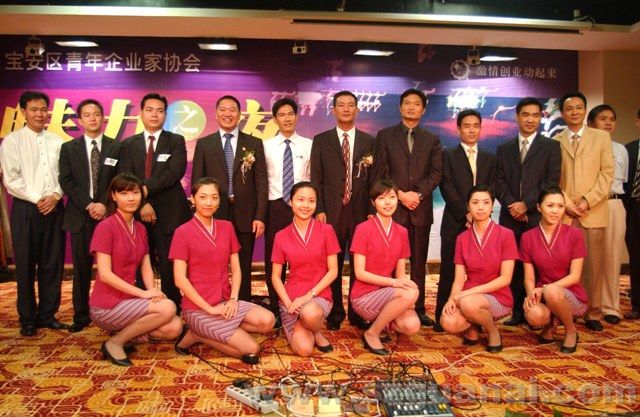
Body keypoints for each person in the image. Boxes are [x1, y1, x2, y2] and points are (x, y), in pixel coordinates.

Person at [171, 177, 275, 364]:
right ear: (193, 199)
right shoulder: (182, 232)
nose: (209, 202)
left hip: (226, 302)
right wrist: (210, 309)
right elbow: (180, 279)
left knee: (268, 320)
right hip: (198, 308)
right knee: (251, 350)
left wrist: (233, 299)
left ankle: (215, 329)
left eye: (214, 197)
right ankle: (197, 334)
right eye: (203, 197)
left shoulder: (226, 227)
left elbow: (236, 268)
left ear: (220, 201)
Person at [89, 173, 183, 367]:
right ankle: (115, 342)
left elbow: (146, 266)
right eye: (124, 193)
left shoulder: (140, 228)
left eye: (135, 193)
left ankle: (123, 333)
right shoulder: (105, 227)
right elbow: (105, 275)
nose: (131, 198)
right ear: (113, 196)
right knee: (169, 308)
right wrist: (143, 293)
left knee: (174, 327)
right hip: (107, 305)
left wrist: (153, 292)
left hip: (129, 301)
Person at [0, 90, 68, 336]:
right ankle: (27, 318)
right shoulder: (12, 141)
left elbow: (64, 175)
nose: (40, 114)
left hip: (55, 207)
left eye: (43, 109)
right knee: (26, 265)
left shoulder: (57, 141)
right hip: (26, 209)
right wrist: (39, 199)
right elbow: (11, 179)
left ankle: (47, 314)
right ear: (23, 112)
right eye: (34, 109)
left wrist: (56, 196)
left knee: (53, 263)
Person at [118, 93, 192, 313]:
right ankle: (145, 308)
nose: (154, 115)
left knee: (170, 264)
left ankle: (173, 307)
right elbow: (126, 176)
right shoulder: (128, 144)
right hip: (137, 212)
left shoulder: (175, 140)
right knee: (141, 262)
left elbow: (174, 172)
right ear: (141, 113)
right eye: (149, 110)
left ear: (165, 115)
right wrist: (142, 203)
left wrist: (144, 190)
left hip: (170, 213)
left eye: (160, 111)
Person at [376, 88, 443, 327]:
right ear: (400, 107)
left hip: (420, 209)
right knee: (387, 263)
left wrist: (418, 194)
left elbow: (437, 173)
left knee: (418, 263)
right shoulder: (385, 136)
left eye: (416, 103)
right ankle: (387, 306)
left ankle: (418, 307)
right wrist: (400, 195)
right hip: (392, 209)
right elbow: (382, 171)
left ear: (423, 109)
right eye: (407, 103)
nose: (411, 107)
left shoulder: (432, 139)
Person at [191, 95, 268, 302]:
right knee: (213, 262)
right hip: (214, 213)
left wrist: (260, 216)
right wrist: (201, 215)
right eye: (223, 109)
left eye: (232, 109)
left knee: (243, 262)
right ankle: (214, 301)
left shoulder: (253, 143)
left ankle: (242, 304)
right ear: (216, 114)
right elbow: (197, 182)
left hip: (246, 214)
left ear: (240, 114)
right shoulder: (204, 144)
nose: (228, 113)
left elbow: (261, 183)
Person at [310, 91, 375, 330]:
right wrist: (319, 209)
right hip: (331, 212)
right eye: (341, 105)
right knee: (332, 264)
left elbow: (374, 180)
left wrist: (371, 209)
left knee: (360, 266)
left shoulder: (369, 141)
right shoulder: (321, 140)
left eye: (350, 105)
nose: (346, 109)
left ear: (357, 110)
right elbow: (316, 178)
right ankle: (335, 312)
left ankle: (358, 312)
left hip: (360, 212)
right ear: (333, 110)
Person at [495, 97, 561, 326]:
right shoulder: (504, 148)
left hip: (536, 216)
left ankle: (538, 312)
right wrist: (513, 205)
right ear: (517, 117)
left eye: (535, 115)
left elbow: (551, 181)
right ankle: (517, 311)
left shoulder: (551, 147)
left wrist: (527, 204)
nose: (530, 119)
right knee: (512, 265)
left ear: (541, 117)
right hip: (510, 216)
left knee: (538, 266)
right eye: (526, 114)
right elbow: (498, 181)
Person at [553, 92, 614, 332]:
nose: (574, 112)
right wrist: (567, 203)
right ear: (562, 113)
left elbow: (607, 174)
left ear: (585, 110)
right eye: (569, 109)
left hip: (593, 211)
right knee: (563, 266)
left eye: (579, 107)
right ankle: (567, 310)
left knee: (593, 266)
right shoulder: (556, 140)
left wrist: (588, 201)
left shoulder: (601, 137)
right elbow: (554, 178)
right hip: (565, 213)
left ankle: (593, 312)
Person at [59, 98, 121, 333]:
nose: (92, 118)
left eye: (96, 114)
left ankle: (114, 312)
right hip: (80, 216)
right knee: (81, 269)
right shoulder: (69, 148)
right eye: (87, 115)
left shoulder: (116, 147)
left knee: (113, 269)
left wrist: (104, 204)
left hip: (109, 216)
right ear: (80, 120)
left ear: (103, 117)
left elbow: (120, 180)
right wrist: (88, 204)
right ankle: (81, 315)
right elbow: (66, 181)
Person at [436, 109, 497, 331]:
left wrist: (480, 212)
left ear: (480, 129)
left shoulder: (490, 158)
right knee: (449, 271)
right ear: (458, 129)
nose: (471, 130)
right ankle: (442, 316)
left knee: (481, 271)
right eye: (467, 126)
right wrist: (466, 212)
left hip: (483, 222)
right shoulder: (448, 155)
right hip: (455, 221)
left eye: (475, 126)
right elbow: (446, 186)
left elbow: (493, 187)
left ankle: (477, 317)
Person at [440, 185, 518, 352]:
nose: (480, 207)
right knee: (448, 321)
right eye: (475, 203)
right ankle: (473, 325)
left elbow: (505, 279)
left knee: (468, 303)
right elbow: (459, 279)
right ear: (468, 207)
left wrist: (466, 294)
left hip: (498, 296)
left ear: (492, 206)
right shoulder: (462, 238)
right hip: (468, 296)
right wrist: (451, 299)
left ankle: (493, 331)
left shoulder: (506, 234)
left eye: (486, 202)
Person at [350, 180, 420, 355]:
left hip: (389, 295)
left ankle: (382, 324)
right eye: (381, 198)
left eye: (392, 197)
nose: (388, 202)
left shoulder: (402, 232)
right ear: (373, 202)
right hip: (364, 296)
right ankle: (372, 333)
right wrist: (396, 285)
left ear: (398, 200)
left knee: (412, 325)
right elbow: (360, 273)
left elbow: (401, 274)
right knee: (409, 293)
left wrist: (407, 295)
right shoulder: (363, 229)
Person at [271, 182, 341, 357]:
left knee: (310, 313)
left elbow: (333, 271)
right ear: (290, 202)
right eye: (300, 200)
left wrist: (308, 296)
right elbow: (275, 276)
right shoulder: (281, 236)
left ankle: (316, 330)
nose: (306, 205)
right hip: (292, 299)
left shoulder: (327, 230)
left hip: (319, 295)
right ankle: (309, 328)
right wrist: (288, 303)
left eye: (311, 201)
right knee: (304, 350)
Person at [520, 187, 587, 353]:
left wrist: (544, 289)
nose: (555, 211)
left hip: (571, 295)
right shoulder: (527, 237)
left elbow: (575, 276)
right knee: (534, 315)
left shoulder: (575, 234)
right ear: (539, 207)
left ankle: (571, 331)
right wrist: (530, 295)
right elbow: (529, 277)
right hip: (543, 294)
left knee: (552, 291)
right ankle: (550, 324)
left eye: (560, 206)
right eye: (550, 206)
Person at [263, 98, 313, 323]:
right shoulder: (265, 146)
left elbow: (313, 178)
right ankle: (276, 307)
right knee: (273, 260)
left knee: (304, 258)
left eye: (290, 114)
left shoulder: (309, 144)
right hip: (275, 206)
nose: (286, 118)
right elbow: (261, 181)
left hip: (302, 208)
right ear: (275, 119)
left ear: (297, 117)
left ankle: (304, 304)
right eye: (281, 115)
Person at [587, 104, 628, 325]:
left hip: (613, 203)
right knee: (589, 259)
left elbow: (624, 182)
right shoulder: (585, 147)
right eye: (603, 118)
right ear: (591, 123)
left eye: (612, 119)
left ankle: (611, 306)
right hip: (590, 205)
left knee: (612, 256)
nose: (608, 122)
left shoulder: (621, 149)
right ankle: (587, 305)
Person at [623, 109, 640, 320]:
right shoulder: (629, 150)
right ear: (638, 122)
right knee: (636, 257)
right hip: (635, 208)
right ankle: (637, 305)